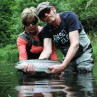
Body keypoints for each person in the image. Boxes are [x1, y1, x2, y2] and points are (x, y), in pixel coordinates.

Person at [36, 2, 94, 74]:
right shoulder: (46, 30)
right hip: (67, 57)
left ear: (53, 9)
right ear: (42, 20)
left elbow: (75, 44)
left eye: (47, 11)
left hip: (83, 53)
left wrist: (63, 66)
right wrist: (35, 66)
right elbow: (47, 51)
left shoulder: (69, 17)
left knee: (83, 74)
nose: (46, 15)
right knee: (63, 77)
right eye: (42, 15)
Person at [17, 7, 58, 73]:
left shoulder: (45, 32)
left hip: (47, 65)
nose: (31, 26)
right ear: (24, 24)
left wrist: (57, 68)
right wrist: (25, 70)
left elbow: (53, 52)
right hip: (30, 67)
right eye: (27, 23)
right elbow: (22, 58)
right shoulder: (22, 38)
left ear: (37, 21)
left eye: (33, 22)